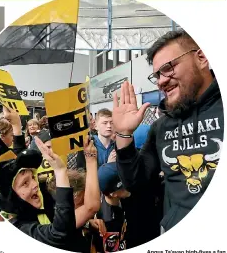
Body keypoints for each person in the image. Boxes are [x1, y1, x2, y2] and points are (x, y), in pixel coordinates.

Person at [113, 29, 223, 235]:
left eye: (168, 68)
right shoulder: (161, 127)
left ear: (201, 58)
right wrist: (124, 135)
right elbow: (136, 181)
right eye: (157, 75)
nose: (161, 81)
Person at [0, 138, 77, 251]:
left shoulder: (43, 202)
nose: (35, 184)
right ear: (9, 196)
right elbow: (59, 235)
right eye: (25, 183)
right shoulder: (18, 227)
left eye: (32, 177)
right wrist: (60, 171)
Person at [91, 162, 130, 252]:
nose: (128, 186)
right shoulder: (110, 221)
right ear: (113, 194)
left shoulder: (105, 195)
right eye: (123, 186)